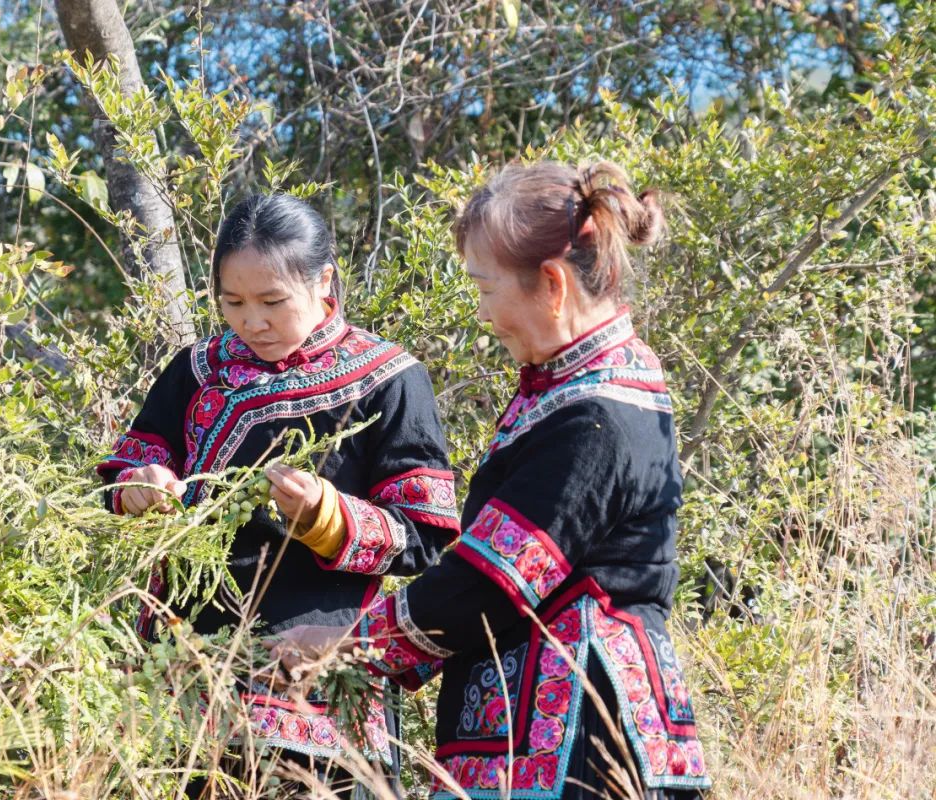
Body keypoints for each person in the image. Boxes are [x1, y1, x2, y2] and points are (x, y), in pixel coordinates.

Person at [270, 162, 712, 799]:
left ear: (553, 284)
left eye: (485, 288)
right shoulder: (582, 385)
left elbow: (494, 578)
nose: (483, 313)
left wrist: (347, 644)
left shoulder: (598, 416)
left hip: (575, 741)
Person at [97, 193, 461, 796]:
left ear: (323, 281)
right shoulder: (196, 370)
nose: (252, 322)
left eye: (272, 302)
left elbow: (422, 534)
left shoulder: (388, 379)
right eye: (233, 302)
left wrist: (327, 516)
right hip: (179, 668)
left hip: (312, 674)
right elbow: (126, 469)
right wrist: (139, 486)